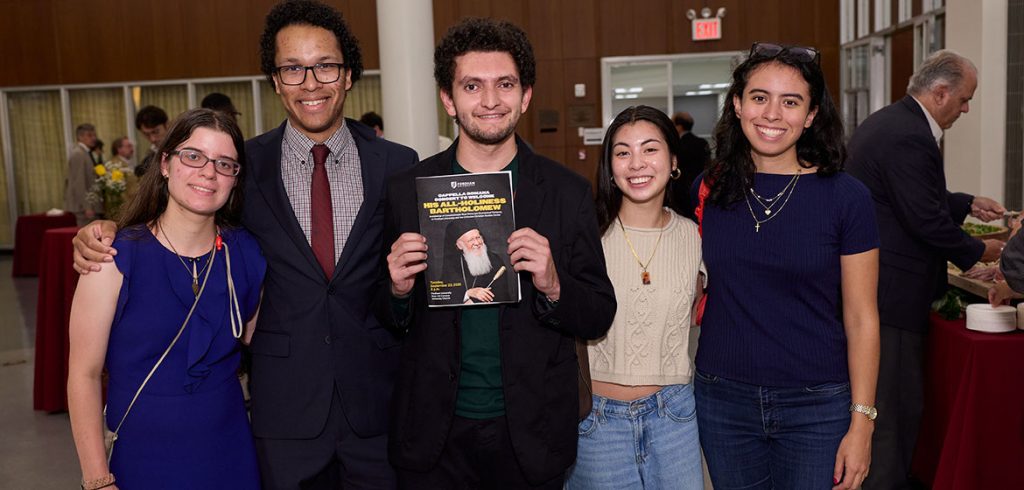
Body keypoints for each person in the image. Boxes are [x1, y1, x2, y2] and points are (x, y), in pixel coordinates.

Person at [72, 1, 418, 488]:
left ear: (348, 75)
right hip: (282, 419)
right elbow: (188, 216)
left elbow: (406, 286)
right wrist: (102, 228)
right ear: (275, 81)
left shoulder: (398, 164)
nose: (310, 82)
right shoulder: (244, 165)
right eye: (292, 69)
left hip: (377, 411)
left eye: (325, 66)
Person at [380, 17, 616, 489]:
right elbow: (386, 317)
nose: (490, 101)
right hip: (432, 433)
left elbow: (597, 314)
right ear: (448, 98)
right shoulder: (407, 191)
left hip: (530, 431)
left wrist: (553, 284)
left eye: (505, 84)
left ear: (525, 95)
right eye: (472, 86)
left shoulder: (565, 193)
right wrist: (397, 288)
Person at [692, 42, 880, 490]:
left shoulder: (846, 198)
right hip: (723, 397)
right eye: (759, 97)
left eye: (790, 101)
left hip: (817, 404)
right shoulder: (710, 190)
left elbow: (862, 318)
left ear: (812, 115)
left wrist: (863, 422)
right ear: (737, 105)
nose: (772, 114)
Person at [67, 108, 264, 490]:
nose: (209, 172)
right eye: (193, 156)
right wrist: (97, 479)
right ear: (165, 164)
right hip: (143, 456)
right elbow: (84, 375)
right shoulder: (113, 257)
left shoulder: (247, 254)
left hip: (230, 453)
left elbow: (259, 341)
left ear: (235, 180)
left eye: (225, 164)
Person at [846, 49, 1004, 489]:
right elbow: (923, 218)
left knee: (895, 404)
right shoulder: (909, 134)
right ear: (940, 93)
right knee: (893, 409)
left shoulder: (896, 121)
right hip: (892, 295)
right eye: (965, 99)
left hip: (884, 288)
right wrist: (984, 252)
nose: (967, 108)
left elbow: (917, 196)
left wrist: (968, 203)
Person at [565, 105, 704, 489]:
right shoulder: (584, 237)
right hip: (597, 422)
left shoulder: (695, 237)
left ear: (674, 161)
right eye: (623, 152)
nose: (636, 163)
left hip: (674, 416)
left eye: (650, 149)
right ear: (610, 166)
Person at [442, 219, 514, 304]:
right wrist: (467, 294)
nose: (477, 243)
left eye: (478, 237)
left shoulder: (495, 260)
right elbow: (444, 293)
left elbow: (502, 293)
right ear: (460, 245)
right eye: (471, 240)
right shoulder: (452, 264)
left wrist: (474, 301)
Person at [670, 111, 711, 212]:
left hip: (681, 192)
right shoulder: (702, 143)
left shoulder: (677, 146)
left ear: (679, 127)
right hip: (701, 188)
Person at [65, 123, 100, 225]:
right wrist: (87, 207)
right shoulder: (78, 154)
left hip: (90, 205)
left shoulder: (86, 153)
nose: (94, 138)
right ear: (80, 137)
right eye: (90, 135)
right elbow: (78, 183)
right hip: (84, 208)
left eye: (94, 135)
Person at [134, 105, 169, 177]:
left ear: (167, 125)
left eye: (156, 132)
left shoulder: (181, 148)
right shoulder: (150, 154)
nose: (152, 139)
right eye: (146, 134)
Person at [108, 136, 140, 203]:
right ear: (119, 149)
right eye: (128, 146)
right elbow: (118, 190)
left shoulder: (127, 162)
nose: (132, 149)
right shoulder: (115, 164)